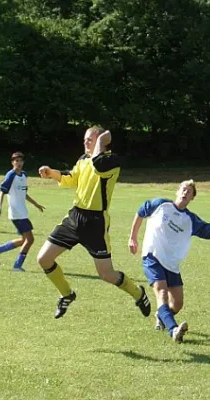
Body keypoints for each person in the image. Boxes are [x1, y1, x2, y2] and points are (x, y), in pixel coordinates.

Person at [37, 126, 151, 319]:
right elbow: (72, 178)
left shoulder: (111, 161)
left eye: (90, 139)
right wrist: (52, 173)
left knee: (107, 274)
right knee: (43, 259)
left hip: (96, 223)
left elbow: (98, 165)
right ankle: (67, 294)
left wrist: (100, 143)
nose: (85, 143)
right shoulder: (83, 159)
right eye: (85, 140)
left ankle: (138, 293)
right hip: (75, 217)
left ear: (101, 140)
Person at [128, 179, 210, 343]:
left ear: (192, 198)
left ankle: (162, 315)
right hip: (153, 256)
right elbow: (140, 212)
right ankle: (173, 330)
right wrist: (132, 238)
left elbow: (208, 232)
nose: (186, 192)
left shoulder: (190, 220)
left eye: (190, 192)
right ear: (177, 191)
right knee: (161, 292)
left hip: (172, 264)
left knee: (177, 304)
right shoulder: (160, 204)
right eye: (184, 189)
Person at [0, 152, 45, 271]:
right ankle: (17, 266)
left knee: (24, 240)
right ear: (12, 162)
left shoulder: (24, 175)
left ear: (23, 162)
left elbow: (24, 193)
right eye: (16, 161)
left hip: (22, 212)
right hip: (16, 213)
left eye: (20, 161)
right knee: (30, 240)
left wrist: (36, 204)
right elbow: (2, 192)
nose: (18, 163)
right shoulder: (11, 175)